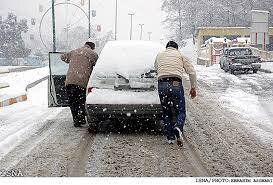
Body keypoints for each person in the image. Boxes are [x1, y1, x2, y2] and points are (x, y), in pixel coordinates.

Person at [154, 41, 197, 146]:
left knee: (166, 110)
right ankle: (178, 126)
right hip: (175, 83)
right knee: (180, 110)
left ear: (167, 48)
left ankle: (170, 137)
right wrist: (193, 88)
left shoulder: (159, 55)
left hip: (162, 83)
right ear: (176, 48)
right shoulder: (180, 55)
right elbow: (192, 72)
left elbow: (156, 68)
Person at [61, 40, 98, 127]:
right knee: (81, 100)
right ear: (92, 48)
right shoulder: (92, 54)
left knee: (73, 102)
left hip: (70, 81)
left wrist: (71, 59)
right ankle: (81, 118)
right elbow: (98, 64)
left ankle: (76, 120)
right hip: (82, 81)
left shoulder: (74, 51)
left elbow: (62, 57)